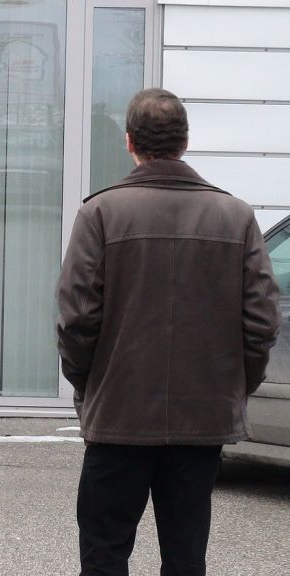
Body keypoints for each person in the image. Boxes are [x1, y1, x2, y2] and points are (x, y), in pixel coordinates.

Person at [56, 88, 281, 576]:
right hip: (202, 417)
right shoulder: (236, 216)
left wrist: (91, 385)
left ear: (129, 141)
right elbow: (262, 322)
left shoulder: (100, 213)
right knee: (185, 557)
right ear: (185, 141)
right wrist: (233, 386)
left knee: (104, 553)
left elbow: (76, 319)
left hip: (118, 413)